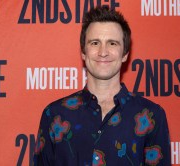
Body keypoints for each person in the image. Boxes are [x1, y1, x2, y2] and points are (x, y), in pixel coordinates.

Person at [33, 6, 171, 166]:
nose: (103, 52)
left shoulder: (152, 116)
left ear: (125, 53)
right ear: (83, 52)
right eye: (95, 43)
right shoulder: (55, 115)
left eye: (112, 43)